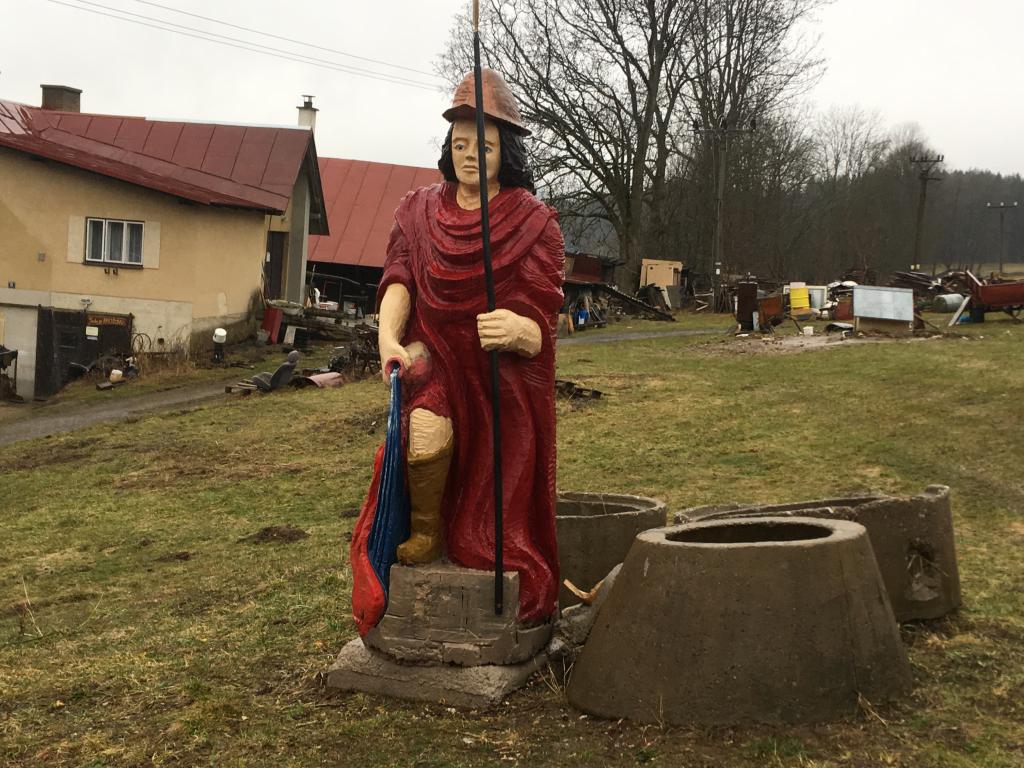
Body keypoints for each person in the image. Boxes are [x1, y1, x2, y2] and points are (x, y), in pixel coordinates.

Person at [350, 69, 565, 636]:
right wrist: (389, 337)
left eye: (483, 146)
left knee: (493, 520)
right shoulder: (418, 210)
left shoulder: (534, 222)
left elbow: (544, 320)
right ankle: (427, 530)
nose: (470, 156)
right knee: (424, 435)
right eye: (461, 144)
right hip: (436, 359)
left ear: (504, 151)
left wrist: (518, 329)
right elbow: (400, 278)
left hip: (497, 379)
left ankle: (485, 546)